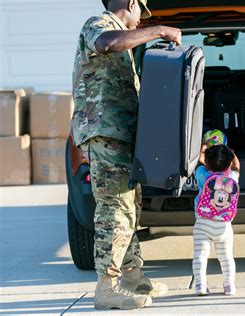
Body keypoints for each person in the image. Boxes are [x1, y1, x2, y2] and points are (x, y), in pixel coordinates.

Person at [71, 0, 181, 310]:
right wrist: (157, 30)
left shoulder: (124, 40)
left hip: (121, 135)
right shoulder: (99, 25)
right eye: (140, 15)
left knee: (130, 208)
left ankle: (133, 277)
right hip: (104, 133)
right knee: (114, 209)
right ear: (131, 3)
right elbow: (106, 43)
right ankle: (107, 287)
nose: (139, 22)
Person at [193, 143, 240, 296]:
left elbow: (199, 162)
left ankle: (200, 285)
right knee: (226, 258)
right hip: (224, 225)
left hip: (202, 222)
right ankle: (229, 286)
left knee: (200, 255)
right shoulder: (232, 177)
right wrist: (232, 154)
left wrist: (203, 149)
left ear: (207, 163)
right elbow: (237, 166)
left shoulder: (202, 174)